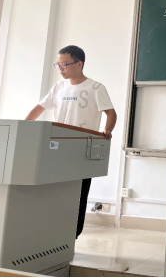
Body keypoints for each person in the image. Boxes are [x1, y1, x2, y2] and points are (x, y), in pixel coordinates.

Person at [25, 45, 117, 239]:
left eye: (64, 64)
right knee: (56, 192)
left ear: (79, 64)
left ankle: (72, 235)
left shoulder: (95, 88)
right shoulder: (59, 87)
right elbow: (39, 108)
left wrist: (107, 130)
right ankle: (52, 234)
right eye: (58, 65)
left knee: (79, 194)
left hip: (82, 150)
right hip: (58, 148)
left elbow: (111, 112)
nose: (60, 69)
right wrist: (24, 127)